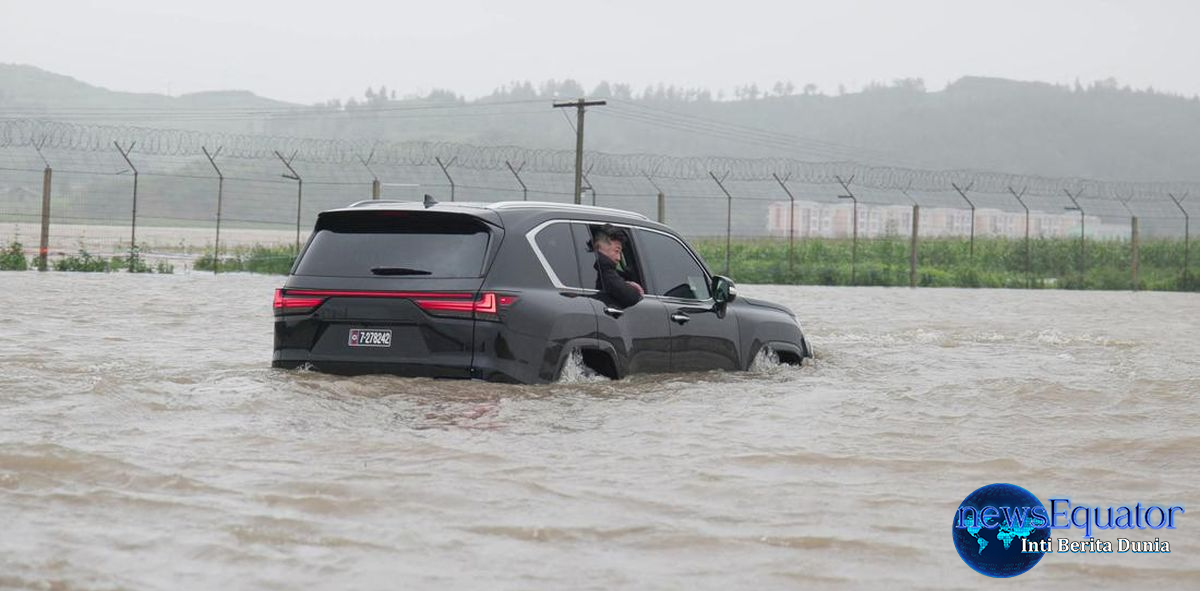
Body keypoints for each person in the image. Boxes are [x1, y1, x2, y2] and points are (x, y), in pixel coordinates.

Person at [592, 225, 643, 307]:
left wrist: (625, 283)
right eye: (617, 251)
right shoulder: (604, 267)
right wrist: (635, 290)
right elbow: (629, 296)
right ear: (600, 246)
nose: (619, 258)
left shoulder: (591, 267)